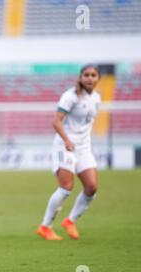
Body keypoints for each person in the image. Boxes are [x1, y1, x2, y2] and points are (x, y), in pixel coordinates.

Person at [37, 64, 101, 240]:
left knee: (91, 187)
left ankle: (70, 221)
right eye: (86, 74)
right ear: (80, 77)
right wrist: (67, 140)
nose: (90, 78)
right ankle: (45, 226)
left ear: (98, 78)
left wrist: (82, 142)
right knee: (66, 188)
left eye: (93, 75)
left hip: (83, 148)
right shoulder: (70, 96)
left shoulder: (96, 98)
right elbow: (56, 122)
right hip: (64, 146)